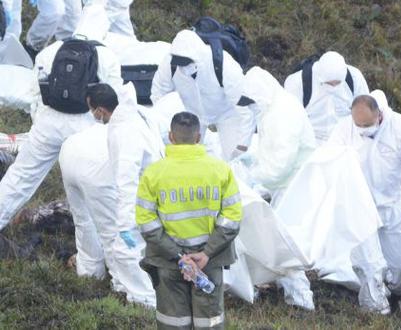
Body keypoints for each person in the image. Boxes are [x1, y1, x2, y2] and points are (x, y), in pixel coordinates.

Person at [0, 5, 122, 232]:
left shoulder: (53, 49)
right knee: (84, 191)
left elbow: (35, 91)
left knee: (20, 177)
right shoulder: (107, 56)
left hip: (48, 123)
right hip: (84, 127)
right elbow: (114, 100)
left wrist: (39, 122)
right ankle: (91, 258)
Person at [327, 91, 401, 313]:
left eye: (367, 125)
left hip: (395, 205)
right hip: (361, 206)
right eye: (358, 125)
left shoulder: (400, 127)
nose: (362, 130)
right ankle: (375, 312)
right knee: (367, 265)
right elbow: (330, 161)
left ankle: (397, 292)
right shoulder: (343, 129)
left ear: (379, 115)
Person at [136, 112, 242, 329]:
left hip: (168, 262)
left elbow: (146, 222)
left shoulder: (153, 173)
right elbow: (232, 218)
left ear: (170, 137)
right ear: (198, 137)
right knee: (209, 322)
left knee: (173, 322)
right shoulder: (220, 170)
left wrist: (178, 256)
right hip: (208, 263)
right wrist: (205, 254)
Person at [58, 83, 157, 307]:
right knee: (114, 236)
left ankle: (90, 270)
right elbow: (126, 183)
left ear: (100, 110)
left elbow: (126, 179)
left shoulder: (122, 130)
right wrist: (124, 224)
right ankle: (131, 292)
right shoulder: (135, 117)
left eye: (92, 110)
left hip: (71, 157)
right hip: (94, 171)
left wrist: (124, 223)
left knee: (85, 223)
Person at [237, 66, 316, 311]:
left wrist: (254, 179)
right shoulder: (271, 108)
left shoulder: (283, 112)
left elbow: (281, 162)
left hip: (293, 185)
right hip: (283, 185)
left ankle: (301, 301)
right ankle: (286, 290)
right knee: (276, 240)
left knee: (283, 243)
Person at [151, 29, 245, 161]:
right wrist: (167, 120)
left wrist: (245, 128)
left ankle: (236, 179)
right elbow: (159, 91)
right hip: (192, 115)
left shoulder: (221, 62)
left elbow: (240, 96)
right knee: (186, 157)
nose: (182, 65)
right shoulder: (170, 64)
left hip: (227, 113)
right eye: (179, 61)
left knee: (235, 156)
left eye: (186, 61)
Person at [284, 51, 369, 145]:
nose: (333, 87)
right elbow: (289, 121)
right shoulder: (297, 82)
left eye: (337, 83)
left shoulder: (354, 77)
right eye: (329, 83)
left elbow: (366, 111)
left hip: (346, 142)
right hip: (311, 142)